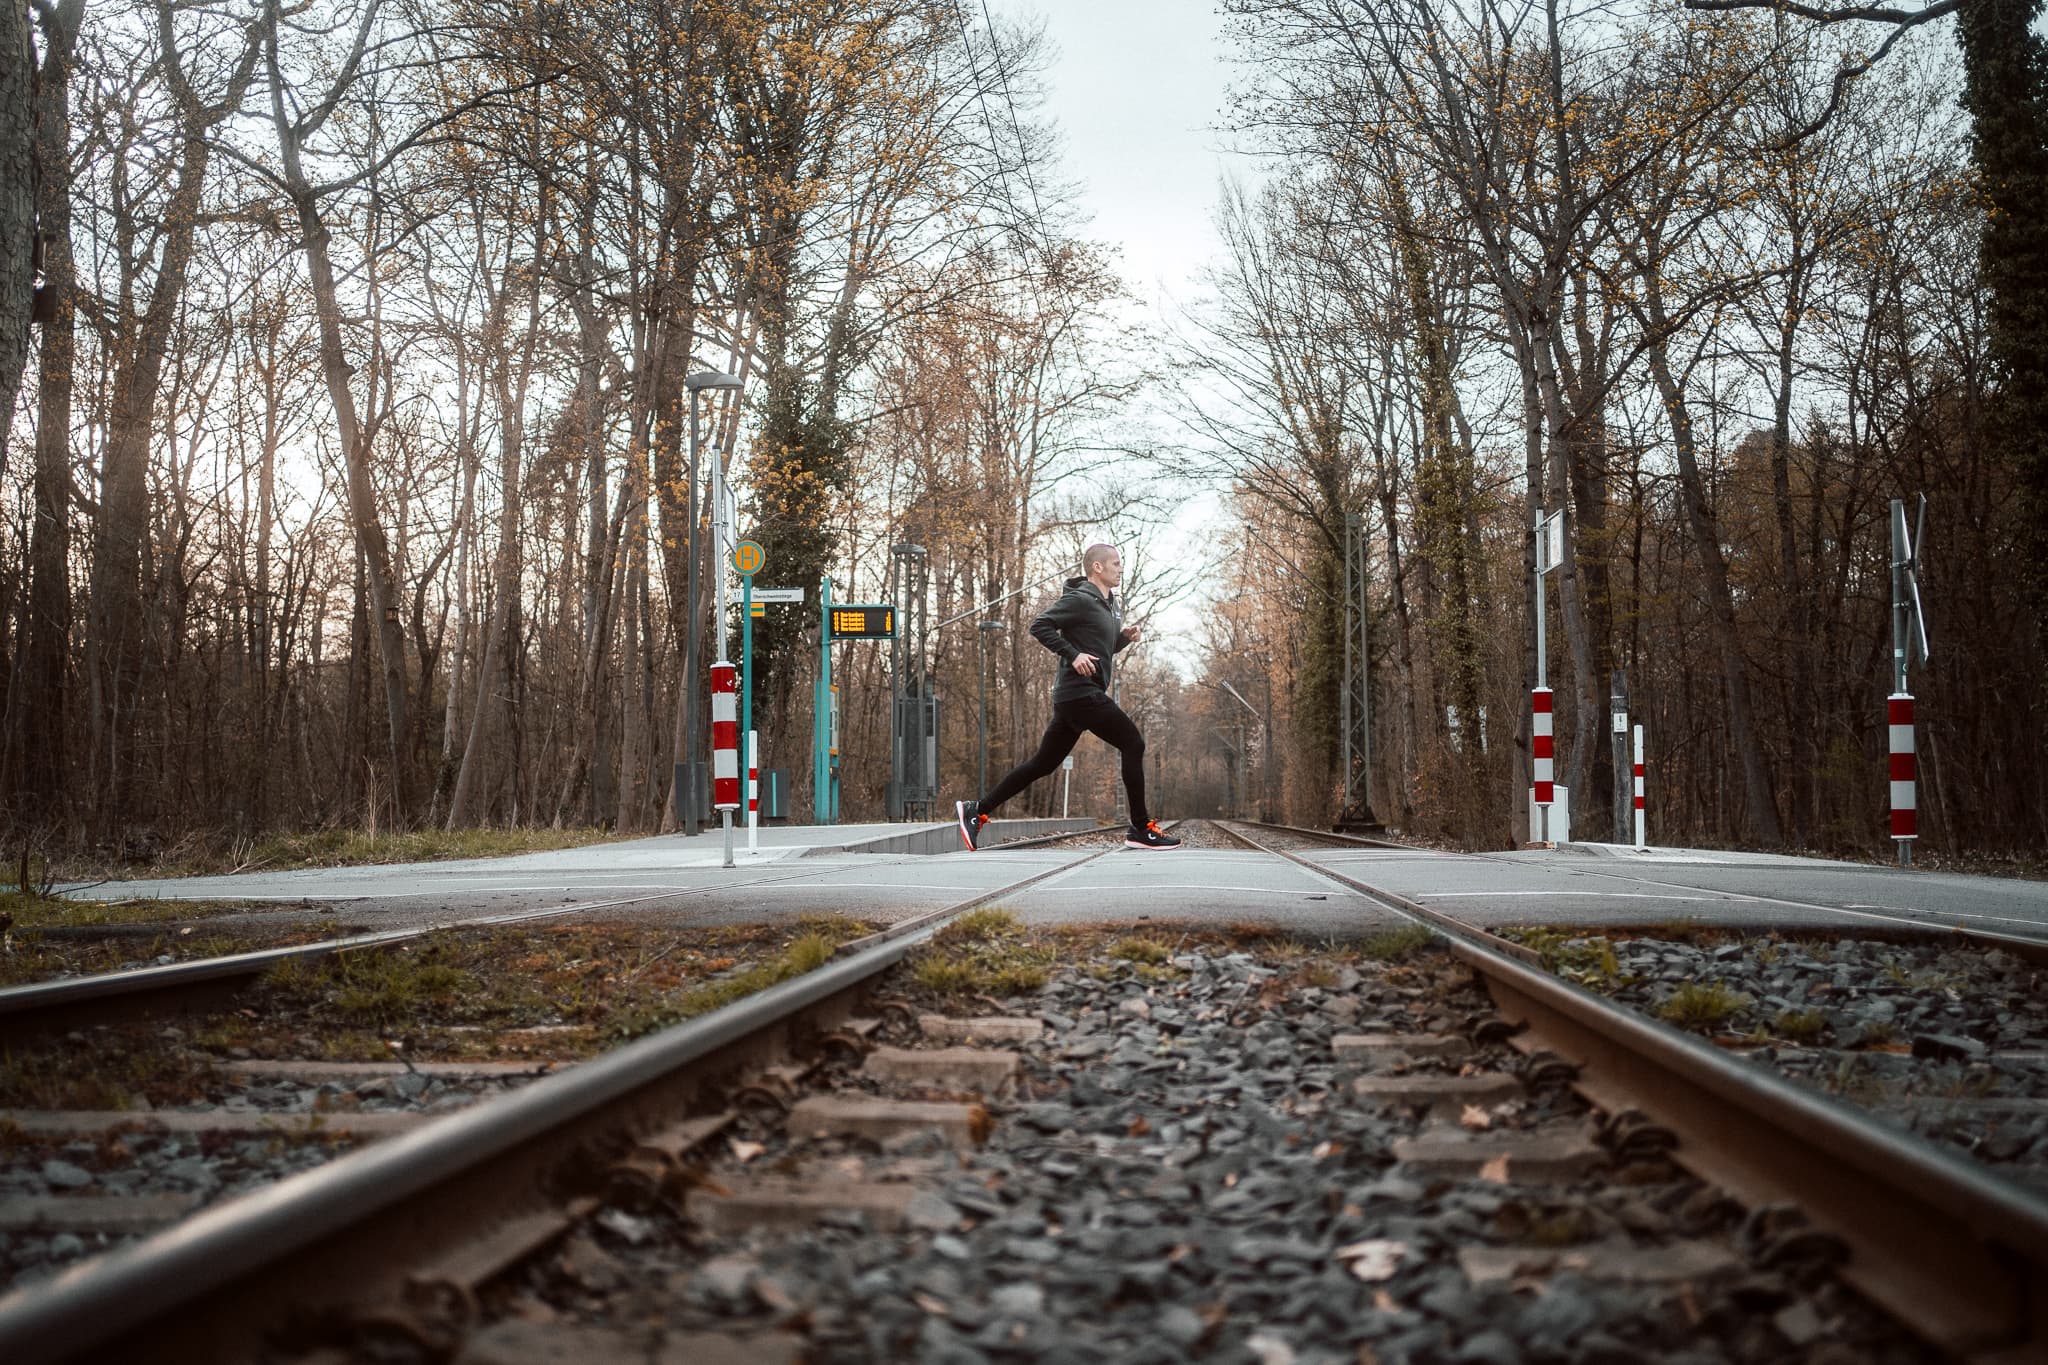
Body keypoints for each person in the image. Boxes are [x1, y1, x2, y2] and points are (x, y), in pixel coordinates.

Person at [956, 543, 1181, 852]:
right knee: (1133, 743)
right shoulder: (1080, 599)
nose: (1121, 568)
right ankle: (1140, 828)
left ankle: (976, 809)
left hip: (1075, 698)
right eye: (1115, 563)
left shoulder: (1109, 605)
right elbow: (1040, 625)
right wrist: (1073, 655)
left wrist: (1123, 640)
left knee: (1042, 764)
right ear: (1097, 568)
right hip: (1080, 693)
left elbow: (1102, 650)